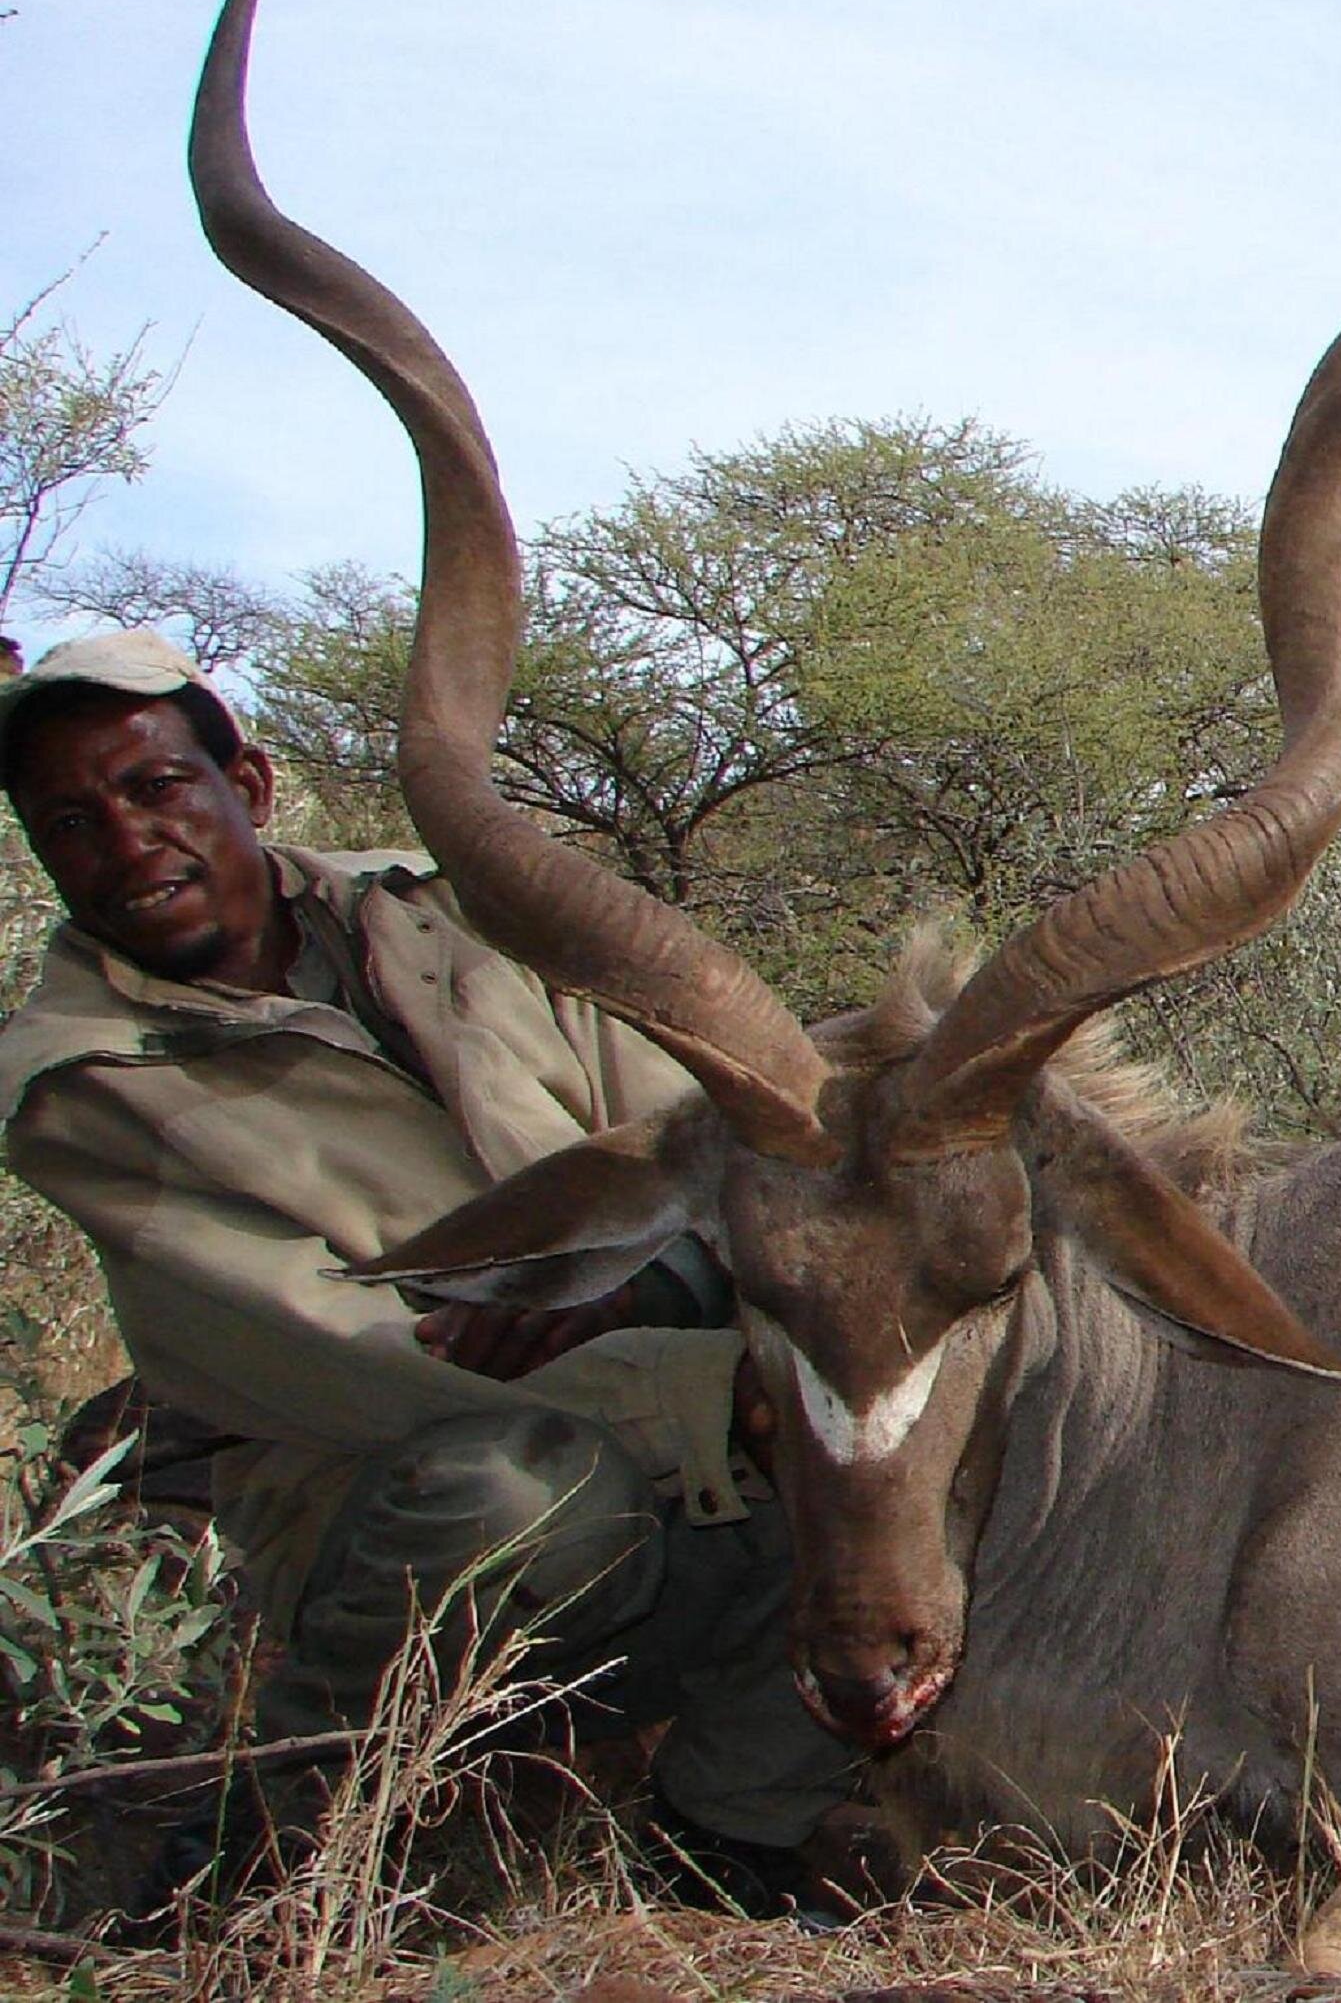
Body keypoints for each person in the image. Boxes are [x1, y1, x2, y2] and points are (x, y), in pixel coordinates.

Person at [0, 628, 855, 1905]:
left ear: (251, 782)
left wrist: (659, 1301)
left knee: (906, 1459)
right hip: (394, 1492)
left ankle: (727, 1825)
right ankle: (277, 1850)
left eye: (154, 787)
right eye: (67, 823)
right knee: (531, 1492)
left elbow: (713, 1148)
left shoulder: (456, 906)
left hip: (677, 1411)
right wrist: (709, 1384)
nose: (122, 846)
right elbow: (355, 1355)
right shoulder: (76, 1080)